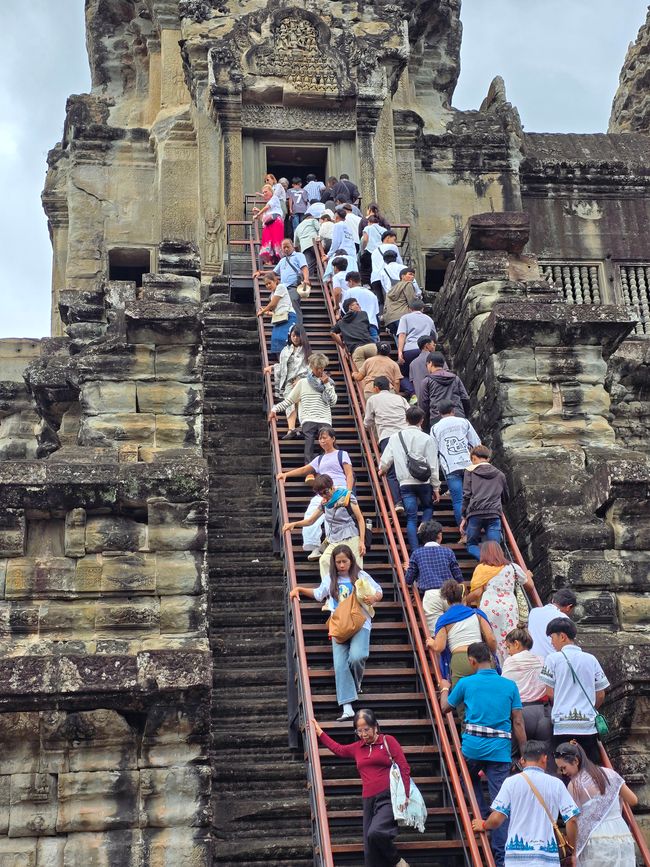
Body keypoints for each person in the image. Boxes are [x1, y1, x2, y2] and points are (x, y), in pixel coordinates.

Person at [439, 641, 526, 867]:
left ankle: (480, 813)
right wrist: (524, 752)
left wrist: (445, 687)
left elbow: (445, 708)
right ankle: (501, 858)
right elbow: (517, 721)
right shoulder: (509, 685)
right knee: (502, 803)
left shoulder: (466, 683)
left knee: (464, 779)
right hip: (500, 750)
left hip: (473, 747)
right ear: (492, 658)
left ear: (471, 661)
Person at [291, 547, 382, 720]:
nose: (341, 565)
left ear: (351, 561)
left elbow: (379, 590)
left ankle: (355, 685)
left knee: (358, 655)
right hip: (339, 624)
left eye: (344, 561)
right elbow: (319, 594)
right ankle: (347, 706)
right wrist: (299, 590)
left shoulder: (361, 575)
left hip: (360, 621)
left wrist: (374, 598)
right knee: (340, 664)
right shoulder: (330, 579)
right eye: (338, 562)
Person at [313, 709, 411, 867]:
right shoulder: (357, 747)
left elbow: (404, 767)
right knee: (370, 848)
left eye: (366, 729)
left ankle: (398, 861)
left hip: (388, 797)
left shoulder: (388, 741)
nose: (363, 734)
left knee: (376, 832)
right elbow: (339, 749)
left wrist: (405, 795)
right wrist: (320, 733)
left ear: (375, 727)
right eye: (359, 730)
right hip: (368, 801)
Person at [473, 740, 580, 867]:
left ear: (522, 760)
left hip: (516, 859)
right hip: (546, 859)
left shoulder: (510, 782)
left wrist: (484, 824)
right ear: (544, 759)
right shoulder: (556, 784)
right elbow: (572, 819)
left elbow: (496, 819)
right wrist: (573, 851)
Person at [554, 740, 637, 867]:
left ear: (576, 761)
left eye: (564, 768)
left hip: (595, 840)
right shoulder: (609, 773)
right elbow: (633, 800)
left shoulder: (574, 785)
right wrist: (613, 799)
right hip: (622, 836)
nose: (563, 772)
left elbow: (572, 820)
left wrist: (574, 851)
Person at [539, 618, 610, 764]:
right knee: (589, 767)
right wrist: (589, 709)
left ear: (562, 636)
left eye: (552, 637)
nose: (552, 643)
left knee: (565, 767)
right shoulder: (591, 659)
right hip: (588, 726)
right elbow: (601, 693)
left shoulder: (552, 659)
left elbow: (550, 693)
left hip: (562, 726)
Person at [277, 427, 354, 560]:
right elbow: (305, 469)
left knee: (331, 519)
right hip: (323, 491)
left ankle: (332, 547)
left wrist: (348, 492)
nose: (322, 441)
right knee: (310, 514)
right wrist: (286, 474)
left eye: (325, 438)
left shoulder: (342, 454)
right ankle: (313, 545)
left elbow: (349, 474)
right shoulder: (319, 459)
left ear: (333, 438)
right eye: (320, 438)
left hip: (339, 489)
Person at [282, 473, 367, 579]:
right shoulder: (324, 504)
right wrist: (294, 524)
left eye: (326, 492)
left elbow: (360, 519)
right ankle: (330, 591)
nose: (324, 495)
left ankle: (359, 593)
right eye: (321, 494)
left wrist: (362, 541)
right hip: (334, 539)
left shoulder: (347, 496)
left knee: (356, 569)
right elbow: (310, 520)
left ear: (332, 486)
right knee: (324, 561)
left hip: (350, 535)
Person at [379, 406, 441, 550]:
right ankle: (424, 525)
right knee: (428, 507)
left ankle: (415, 551)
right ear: (422, 420)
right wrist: (436, 487)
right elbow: (433, 464)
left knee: (411, 518)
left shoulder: (395, 437)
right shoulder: (428, 438)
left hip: (405, 483)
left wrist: (382, 469)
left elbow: (386, 459)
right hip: (424, 482)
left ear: (406, 419)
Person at [466, 541, 535, 665]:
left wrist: (465, 600)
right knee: (511, 639)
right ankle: (512, 666)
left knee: (492, 640)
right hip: (509, 608)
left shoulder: (481, 568)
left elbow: (476, 593)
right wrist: (528, 575)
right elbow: (530, 586)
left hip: (489, 607)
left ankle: (497, 667)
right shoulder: (513, 567)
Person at [269, 352, 337, 463]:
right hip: (308, 418)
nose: (320, 371)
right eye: (317, 368)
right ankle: (309, 471)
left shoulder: (328, 383)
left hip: (324, 418)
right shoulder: (303, 382)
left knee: (326, 443)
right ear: (311, 367)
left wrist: (327, 385)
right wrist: (274, 409)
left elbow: (333, 402)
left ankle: (325, 467)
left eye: (322, 368)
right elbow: (289, 400)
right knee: (309, 442)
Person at [427, 580, 496, 688]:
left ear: (447, 601)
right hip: (482, 656)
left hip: (460, 658)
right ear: (463, 597)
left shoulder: (443, 620)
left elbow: (439, 647)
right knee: (489, 690)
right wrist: (492, 655)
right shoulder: (477, 613)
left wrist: (432, 643)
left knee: (461, 697)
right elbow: (491, 639)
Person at [405, 522, 464, 635]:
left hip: (431, 595)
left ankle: (438, 652)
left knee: (436, 633)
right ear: (439, 535)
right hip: (450, 593)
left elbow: (408, 580)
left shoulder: (417, 553)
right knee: (455, 631)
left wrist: (408, 569)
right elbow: (458, 577)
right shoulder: (448, 551)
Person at [502, 628, 552, 758]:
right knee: (544, 756)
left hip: (521, 713)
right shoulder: (542, 660)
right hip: (544, 712)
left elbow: (505, 689)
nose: (508, 652)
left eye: (508, 647)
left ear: (516, 644)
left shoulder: (511, 661)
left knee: (517, 757)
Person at [431, 400, 481, 526]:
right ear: (453, 410)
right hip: (468, 464)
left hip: (450, 467)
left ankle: (464, 531)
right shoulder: (464, 422)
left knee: (458, 500)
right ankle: (478, 525)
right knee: (474, 496)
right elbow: (476, 443)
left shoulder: (435, 428)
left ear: (439, 412)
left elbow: (433, 450)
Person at [364, 376, 408, 511]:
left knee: (390, 471)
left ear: (376, 388)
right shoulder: (400, 398)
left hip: (387, 436)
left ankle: (398, 502)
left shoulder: (373, 399)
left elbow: (367, 422)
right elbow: (410, 412)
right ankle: (410, 500)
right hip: (405, 435)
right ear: (389, 386)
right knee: (406, 467)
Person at [460, 445, 509, 560]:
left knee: (471, 544)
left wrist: (463, 516)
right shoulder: (500, 474)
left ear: (474, 458)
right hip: (493, 514)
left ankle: (485, 562)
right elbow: (506, 498)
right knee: (495, 547)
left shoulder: (470, 472)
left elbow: (467, 495)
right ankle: (495, 564)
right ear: (488, 458)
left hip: (475, 513)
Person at [264, 324, 310, 439]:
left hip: (302, 381)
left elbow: (309, 367)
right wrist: (272, 367)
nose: (295, 338)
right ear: (290, 336)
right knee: (289, 403)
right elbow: (283, 366)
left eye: (297, 336)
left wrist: (302, 379)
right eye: (293, 336)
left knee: (302, 403)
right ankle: (291, 429)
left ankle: (303, 427)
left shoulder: (306, 350)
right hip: (289, 381)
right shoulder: (286, 350)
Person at [419, 352, 471, 430]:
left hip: (437, 419)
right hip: (457, 415)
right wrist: (464, 415)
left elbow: (423, 405)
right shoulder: (455, 378)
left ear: (430, 363)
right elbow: (465, 399)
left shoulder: (427, 381)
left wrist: (425, 425)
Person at [528, 589, 578, 659]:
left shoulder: (533, 612)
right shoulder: (563, 618)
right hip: (553, 661)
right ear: (569, 607)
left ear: (553, 600)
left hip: (532, 659)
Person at [256, 273, 297, 358]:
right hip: (280, 318)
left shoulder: (280, 287)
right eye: (266, 284)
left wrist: (263, 311)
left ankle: (289, 361)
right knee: (276, 340)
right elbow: (276, 310)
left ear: (275, 281)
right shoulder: (272, 295)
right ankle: (282, 361)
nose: (268, 286)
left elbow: (273, 304)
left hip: (288, 316)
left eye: (269, 283)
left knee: (286, 339)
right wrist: (267, 312)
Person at [331, 298, 378, 368]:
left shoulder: (340, 322)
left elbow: (332, 333)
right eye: (357, 304)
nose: (359, 306)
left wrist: (343, 346)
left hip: (356, 350)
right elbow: (368, 328)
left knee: (363, 375)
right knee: (377, 370)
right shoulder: (363, 314)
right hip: (370, 346)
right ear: (350, 307)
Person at [396, 300, 437, 379]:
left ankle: (411, 390)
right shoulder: (429, 319)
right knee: (426, 373)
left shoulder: (405, 318)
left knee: (405, 375)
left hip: (409, 349)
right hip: (425, 350)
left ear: (410, 309)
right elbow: (434, 336)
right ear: (422, 309)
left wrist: (400, 352)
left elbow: (402, 335)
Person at [272, 239, 311, 315]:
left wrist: (306, 279)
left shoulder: (299, 255)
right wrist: (260, 273)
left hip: (294, 286)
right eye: (284, 247)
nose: (286, 249)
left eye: (288, 247)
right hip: (283, 288)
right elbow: (274, 272)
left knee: (293, 305)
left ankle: (298, 326)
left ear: (292, 246)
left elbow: (304, 267)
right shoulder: (282, 260)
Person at [382, 267, 420, 339]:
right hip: (402, 316)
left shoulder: (392, 289)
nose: (412, 277)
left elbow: (385, 306)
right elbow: (412, 302)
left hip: (390, 319)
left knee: (399, 340)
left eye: (413, 275)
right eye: (410, 274)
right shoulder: (408, 284)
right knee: (407, 340)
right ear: (402, 276)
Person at [342, 272, 380, 341]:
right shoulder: (372, 294)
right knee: (375, 349)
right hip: (372, 325)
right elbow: (376, 313)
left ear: (351, 281)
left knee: (360, 349)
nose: (347, 285)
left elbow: (344, 310)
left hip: (357, 326)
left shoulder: (349, 292)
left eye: (348, 282)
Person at [252, 183, 284, 264]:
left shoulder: (274, 198)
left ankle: (278, 260)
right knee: (267, 240)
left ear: (271, 191)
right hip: (268, 223)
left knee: (276, 240)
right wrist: (258, 212)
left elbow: (267, 207)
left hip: (276, 221)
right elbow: (263, 218)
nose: (264, 194)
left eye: (266, 192)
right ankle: (269, 260)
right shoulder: (269, 203)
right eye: (263, 192)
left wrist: (258, 214)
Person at [293, 206, 321, 278]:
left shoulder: (298, 227)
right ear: (310, 217)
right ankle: (322, 276)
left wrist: (299, 252)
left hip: (304, 247)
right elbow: (320, 230)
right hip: (314, 243)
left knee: (309, 264)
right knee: (321, 258)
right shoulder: (313, 220)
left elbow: (295, 245)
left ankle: (308, 280)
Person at [409, 335, 437, 403]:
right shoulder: (437, 358)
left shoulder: (412, 364)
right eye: (433, 345)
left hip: (421, 400)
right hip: (436, 398)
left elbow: (413, 383)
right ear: (427, 346)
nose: (434, 347)